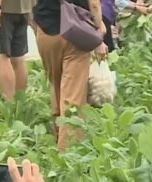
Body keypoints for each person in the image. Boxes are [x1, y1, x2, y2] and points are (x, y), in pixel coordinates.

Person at [33, 0, 108, 149]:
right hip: (76, 31)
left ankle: (57, 135)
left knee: (56, 86)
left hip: (46, 29)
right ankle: (68, 151)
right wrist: (98, 32)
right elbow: (94, 3)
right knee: (73, 96)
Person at [0, 0, 32, 100]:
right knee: (18, 59)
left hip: (3, 10)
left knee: (1, 57)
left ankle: (9, 105)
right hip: (23, 9)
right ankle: (20, 103)